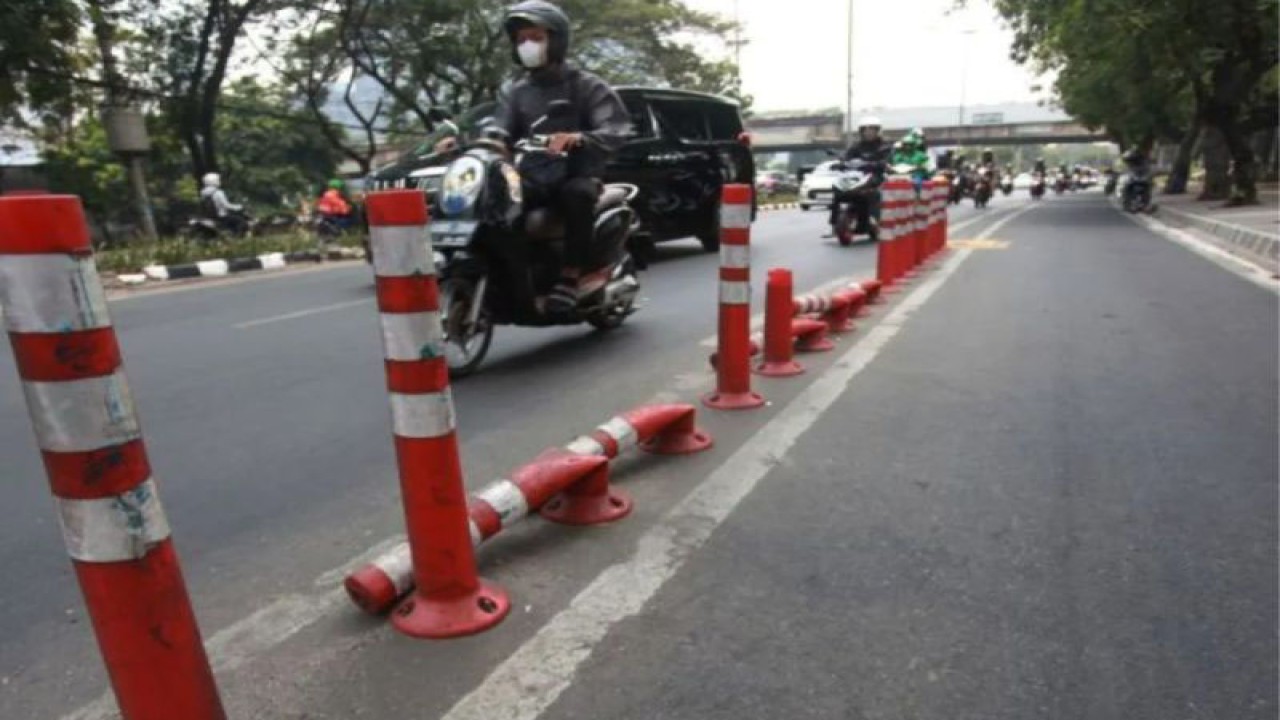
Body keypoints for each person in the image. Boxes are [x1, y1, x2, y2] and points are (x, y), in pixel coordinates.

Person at [495, 0, 631, 314]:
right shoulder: (515, 91)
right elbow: (500, 127)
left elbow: (616, 127)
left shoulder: (587, 86)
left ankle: (570, 276)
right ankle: (514, 272)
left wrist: (579, 138)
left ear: (556, 40)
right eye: (521, 39)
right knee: (498, 197)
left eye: (535, 37)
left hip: (576, 173)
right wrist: (470, 143)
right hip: (533, 174)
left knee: (577, 194)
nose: (527, 45)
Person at [832, 115, 891, 225]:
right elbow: (846, 157)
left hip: (875, 177)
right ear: (861, 132)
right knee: (838, 191)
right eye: (865, 129)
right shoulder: (856, 146)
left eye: (871, 129)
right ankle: (834, 222)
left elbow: (886, 161)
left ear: (877, 131)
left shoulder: (884, 147)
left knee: (874, 193)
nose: (868, 132)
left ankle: (876, 220)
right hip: (857, 177)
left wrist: (876, 164)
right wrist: (840, 164)